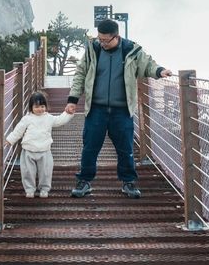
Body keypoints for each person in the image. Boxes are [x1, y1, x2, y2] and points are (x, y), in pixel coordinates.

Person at [65, 19, 172, 199]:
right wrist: (72, 100)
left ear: (117, 37)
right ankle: (84, 181)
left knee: (125, 148)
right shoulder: (93, 49)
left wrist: (160, 71)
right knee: (90, 147)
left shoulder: (132, 50)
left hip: (121, 110)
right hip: (96, 109)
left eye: (106, 40)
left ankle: (128, 183)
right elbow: (80, 73)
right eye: (100, 39)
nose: (103, 43)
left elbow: (148, 64)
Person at [5, 90, 74, 198]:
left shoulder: (49, 118)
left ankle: (44, 189)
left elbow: (59, 120)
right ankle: (29, 189)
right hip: (28, 150)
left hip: (45, 151)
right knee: (27, 172)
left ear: (46, 106)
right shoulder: (27, 119)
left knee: (46, 172)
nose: (40, 109)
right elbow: (18, 131)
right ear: (31, 107)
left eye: (42, 106)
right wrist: (10, 140)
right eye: (36, 107)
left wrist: (68, 114)